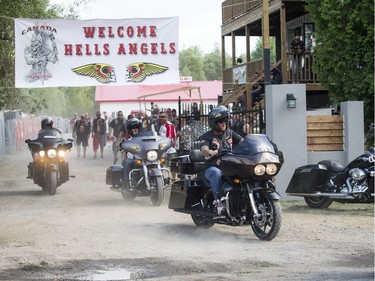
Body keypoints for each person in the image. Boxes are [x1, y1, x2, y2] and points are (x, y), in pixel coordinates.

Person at [199, 106, 243, 215]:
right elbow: (203, 149)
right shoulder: (207, 136)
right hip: (211, 168)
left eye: (225, 121)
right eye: (221, 121)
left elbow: (244, 141)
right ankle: (218, 202)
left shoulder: (230, 133)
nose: (224, 123)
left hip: (229, 167)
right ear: (214, 123)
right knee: (216, 173)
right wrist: (210, 151)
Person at [120, 118, 141, 185]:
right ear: (129, 129)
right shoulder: (126, 138)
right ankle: (127, 183)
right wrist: (122, 145)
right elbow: (122, 146)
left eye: (137, 127)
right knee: (127, 162)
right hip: (131, 159)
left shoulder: (143, 137)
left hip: (143, 158)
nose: (135, 129)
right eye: (133, 127)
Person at [158, 111, 177, 179]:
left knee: (173, 165)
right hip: (162, 149)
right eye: (160, 117)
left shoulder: (169, 125)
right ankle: (161, 178)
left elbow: (169, 138)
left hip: (170, 149)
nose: (161, 118)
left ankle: (173, 179)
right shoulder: (162, 126)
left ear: (167, 117)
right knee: (160, 164)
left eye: (163, 117)